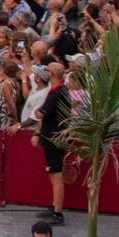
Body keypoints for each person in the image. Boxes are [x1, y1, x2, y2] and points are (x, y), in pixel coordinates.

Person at [37, 59, 73, 224]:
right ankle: (54, 206)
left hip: (54, 138)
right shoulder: (61, 90)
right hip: (53, 136)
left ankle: (58, 212)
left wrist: (38, 112)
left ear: (51, 74)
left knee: (56, 175)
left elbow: (41, 113)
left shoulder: (57, 93)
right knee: (52, 173)